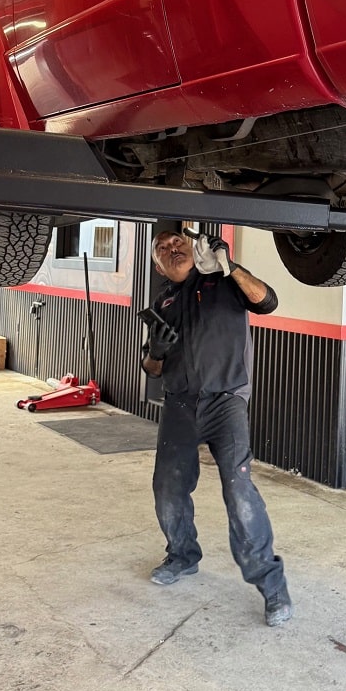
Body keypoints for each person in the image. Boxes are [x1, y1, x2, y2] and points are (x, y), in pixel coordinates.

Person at [141, 227, 292, 626]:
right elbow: (151, 369)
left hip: (226, 402)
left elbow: (268, 301)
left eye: (178, 243)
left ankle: (271, 584)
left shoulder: (224, 282)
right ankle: (182, 556)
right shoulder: (163, 301)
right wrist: (156, 351)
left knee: (239, 489)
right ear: (158, 263)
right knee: (168, 488)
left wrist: (231, 266)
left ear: (192, 248)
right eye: (163, 248)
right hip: (180, 405)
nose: (173, 249)